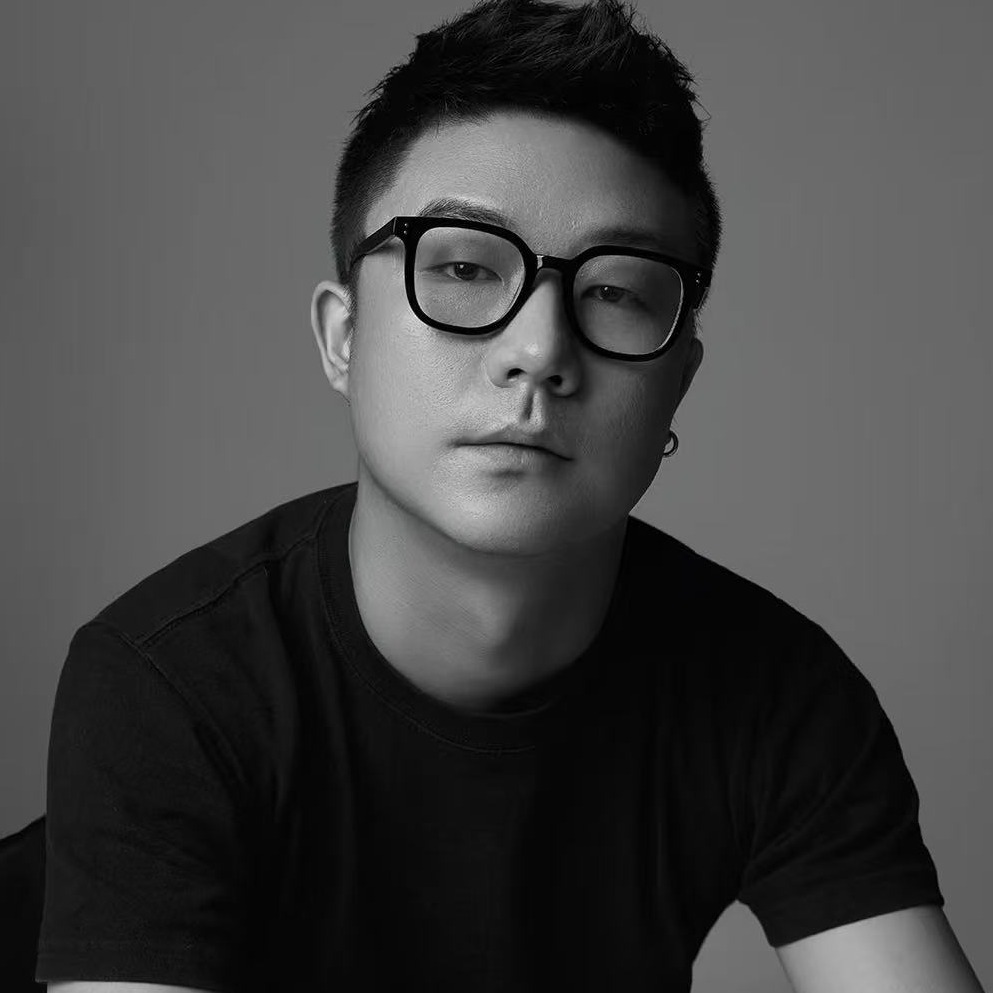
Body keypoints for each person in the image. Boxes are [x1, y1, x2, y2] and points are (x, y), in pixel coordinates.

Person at [35, 1, 983, 991]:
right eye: (461, 267)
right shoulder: (171, 682)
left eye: (615, 292)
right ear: (342, 338)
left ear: (678, 381)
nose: (538, 350)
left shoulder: (774, 693)